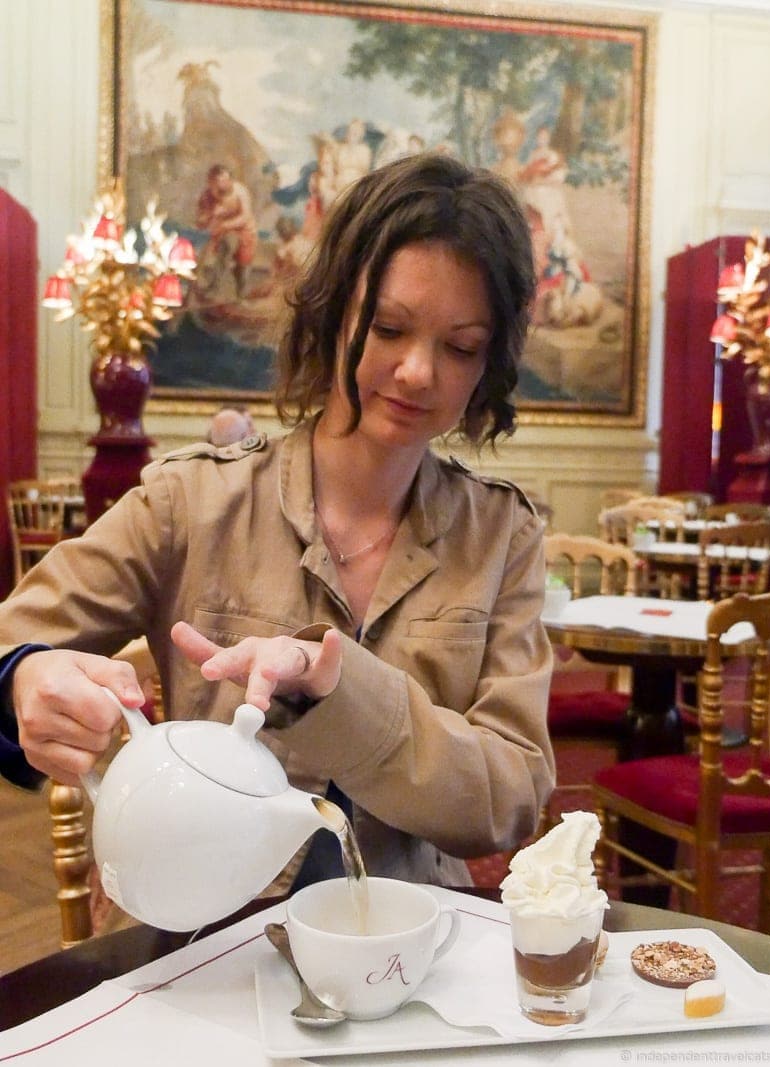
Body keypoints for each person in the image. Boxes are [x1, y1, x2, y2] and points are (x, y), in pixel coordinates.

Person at [0, 153, 554, 893]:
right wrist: (25, 676)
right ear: (331, 317)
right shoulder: (191, 501)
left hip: (410, 945)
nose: (419, 371)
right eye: (388, 328)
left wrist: (341, 697)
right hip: (197, 936)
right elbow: (12, 640)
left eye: (460, 346)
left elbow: (511, 795)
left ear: (490, 363)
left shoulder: (501, 536)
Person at [195, 163, 257, 299]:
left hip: (244, 230)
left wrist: (226, 224)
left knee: (243, 263)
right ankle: (211, 289)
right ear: (211, 183)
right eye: (217, 182)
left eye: (225, 180)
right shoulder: (207, 196)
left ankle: (242, 294)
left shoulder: (240, 191)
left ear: (230, 180)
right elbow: (200, 222)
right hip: (222, 234)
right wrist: (210, 215)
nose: (222, 184)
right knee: (220, 251)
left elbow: (245, 216)